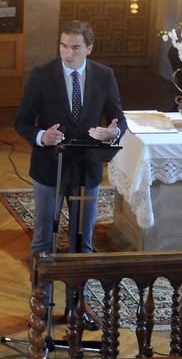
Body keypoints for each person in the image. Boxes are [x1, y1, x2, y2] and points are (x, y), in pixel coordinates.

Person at [14, 20, 125, 265]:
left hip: (87, 169)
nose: (68, 53)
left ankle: (79, 293)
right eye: (63, 46)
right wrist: (42, 136)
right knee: (44, 240)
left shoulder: (104, 76)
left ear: (89, 48)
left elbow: (120, 120)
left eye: (75, 47)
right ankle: (41, 293)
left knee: (83, 241)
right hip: (49, 167)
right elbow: (21, 122)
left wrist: (110, 134)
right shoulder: (42, 75)